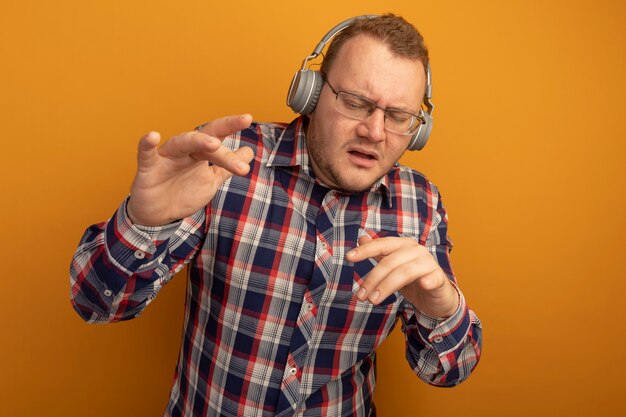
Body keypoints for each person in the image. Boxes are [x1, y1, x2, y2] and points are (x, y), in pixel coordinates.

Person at [70, 13, 482, 417]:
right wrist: (144, 224)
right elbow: (96, 304)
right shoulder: (228, 160)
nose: (375, 132)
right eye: (356, 103)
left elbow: (447, 371)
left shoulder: (420, 204)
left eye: (398, 117)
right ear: (311, 93)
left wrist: (443, 307)